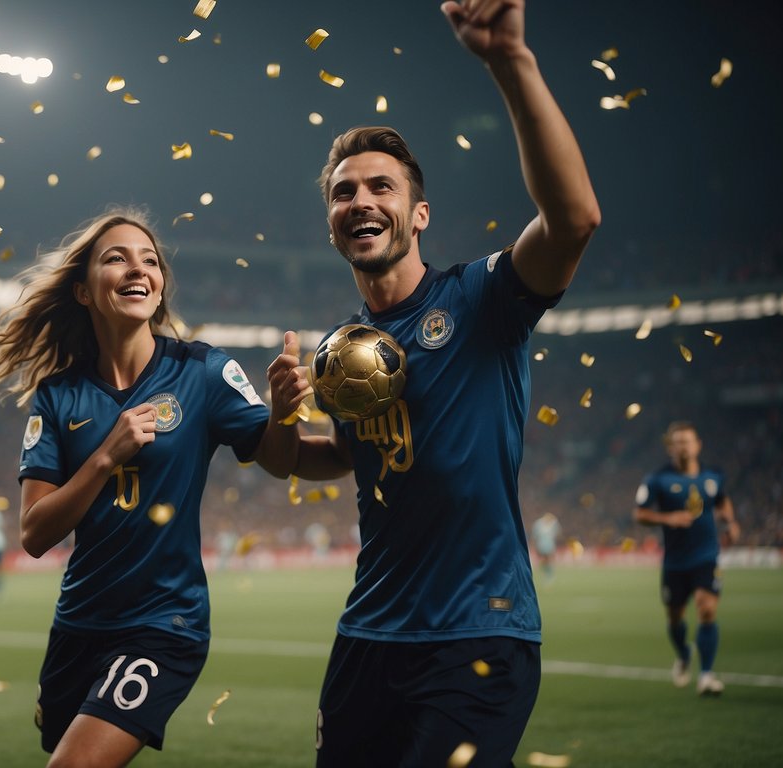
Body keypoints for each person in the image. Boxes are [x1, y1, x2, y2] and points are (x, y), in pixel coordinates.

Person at [262, 1, 601, 764]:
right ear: (331, 224)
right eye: (344, 192)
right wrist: (282, 419)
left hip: (478, 631)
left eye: (380, 187)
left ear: (418, 216)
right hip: (367, 637)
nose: (361, 202)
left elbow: (575, 219)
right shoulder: (340, 352)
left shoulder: (479, 301)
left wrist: (509, 59)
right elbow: (332, 458)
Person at [0, 208, 294, 767]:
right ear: (84, 291)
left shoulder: (203, 372)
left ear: (159, 287)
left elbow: (280, 462)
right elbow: (34, 533)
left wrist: (284, 412)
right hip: (79, 623)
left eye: (150, 260)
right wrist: (104, 457)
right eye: (116, 257)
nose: (138, 268)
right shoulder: (57, 397)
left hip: (164, 623)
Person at [633, 421, 739, 696]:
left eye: (688, 441)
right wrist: (667, 518)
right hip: (675, 562)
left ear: (698, 445)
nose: (683, 446)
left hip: (706, 556)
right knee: (675, 619)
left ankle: (706, 675)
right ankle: (683, 653)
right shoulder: (657, 480)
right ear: (670, 447)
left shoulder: (713, 476)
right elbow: (640, 513)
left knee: (707, 609)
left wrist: (730, 521)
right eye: (678, 441)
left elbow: (722, 500)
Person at [531, 512, 562, 583]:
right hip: (541, 545)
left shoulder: (553, 523)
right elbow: (534, 535)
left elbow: (558, 533)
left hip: (549, 546)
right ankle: (548, 573)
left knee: (547, 560)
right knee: (544, 561)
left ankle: (549, 574)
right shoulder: (538, 524)